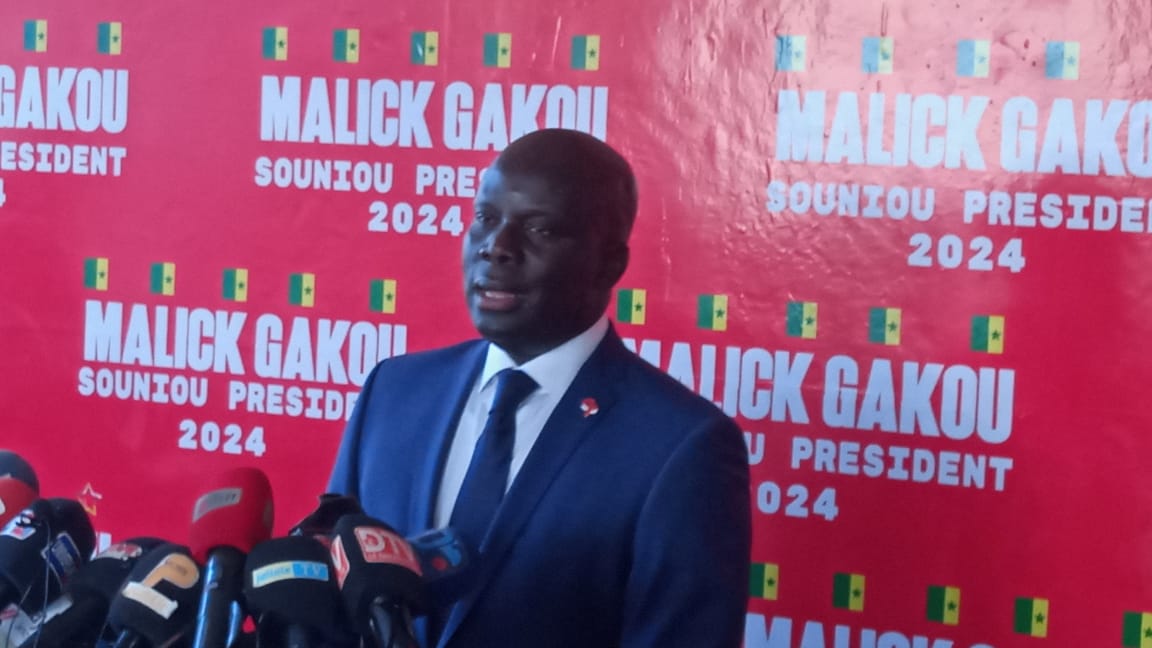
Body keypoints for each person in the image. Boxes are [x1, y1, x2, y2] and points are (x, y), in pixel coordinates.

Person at [327, 128, 751, 647]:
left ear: (610, 264)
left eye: (540, 230)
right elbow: (334, 602)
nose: (497, 248)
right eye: (486, 219)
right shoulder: (394, 392)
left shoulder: (681, 447)